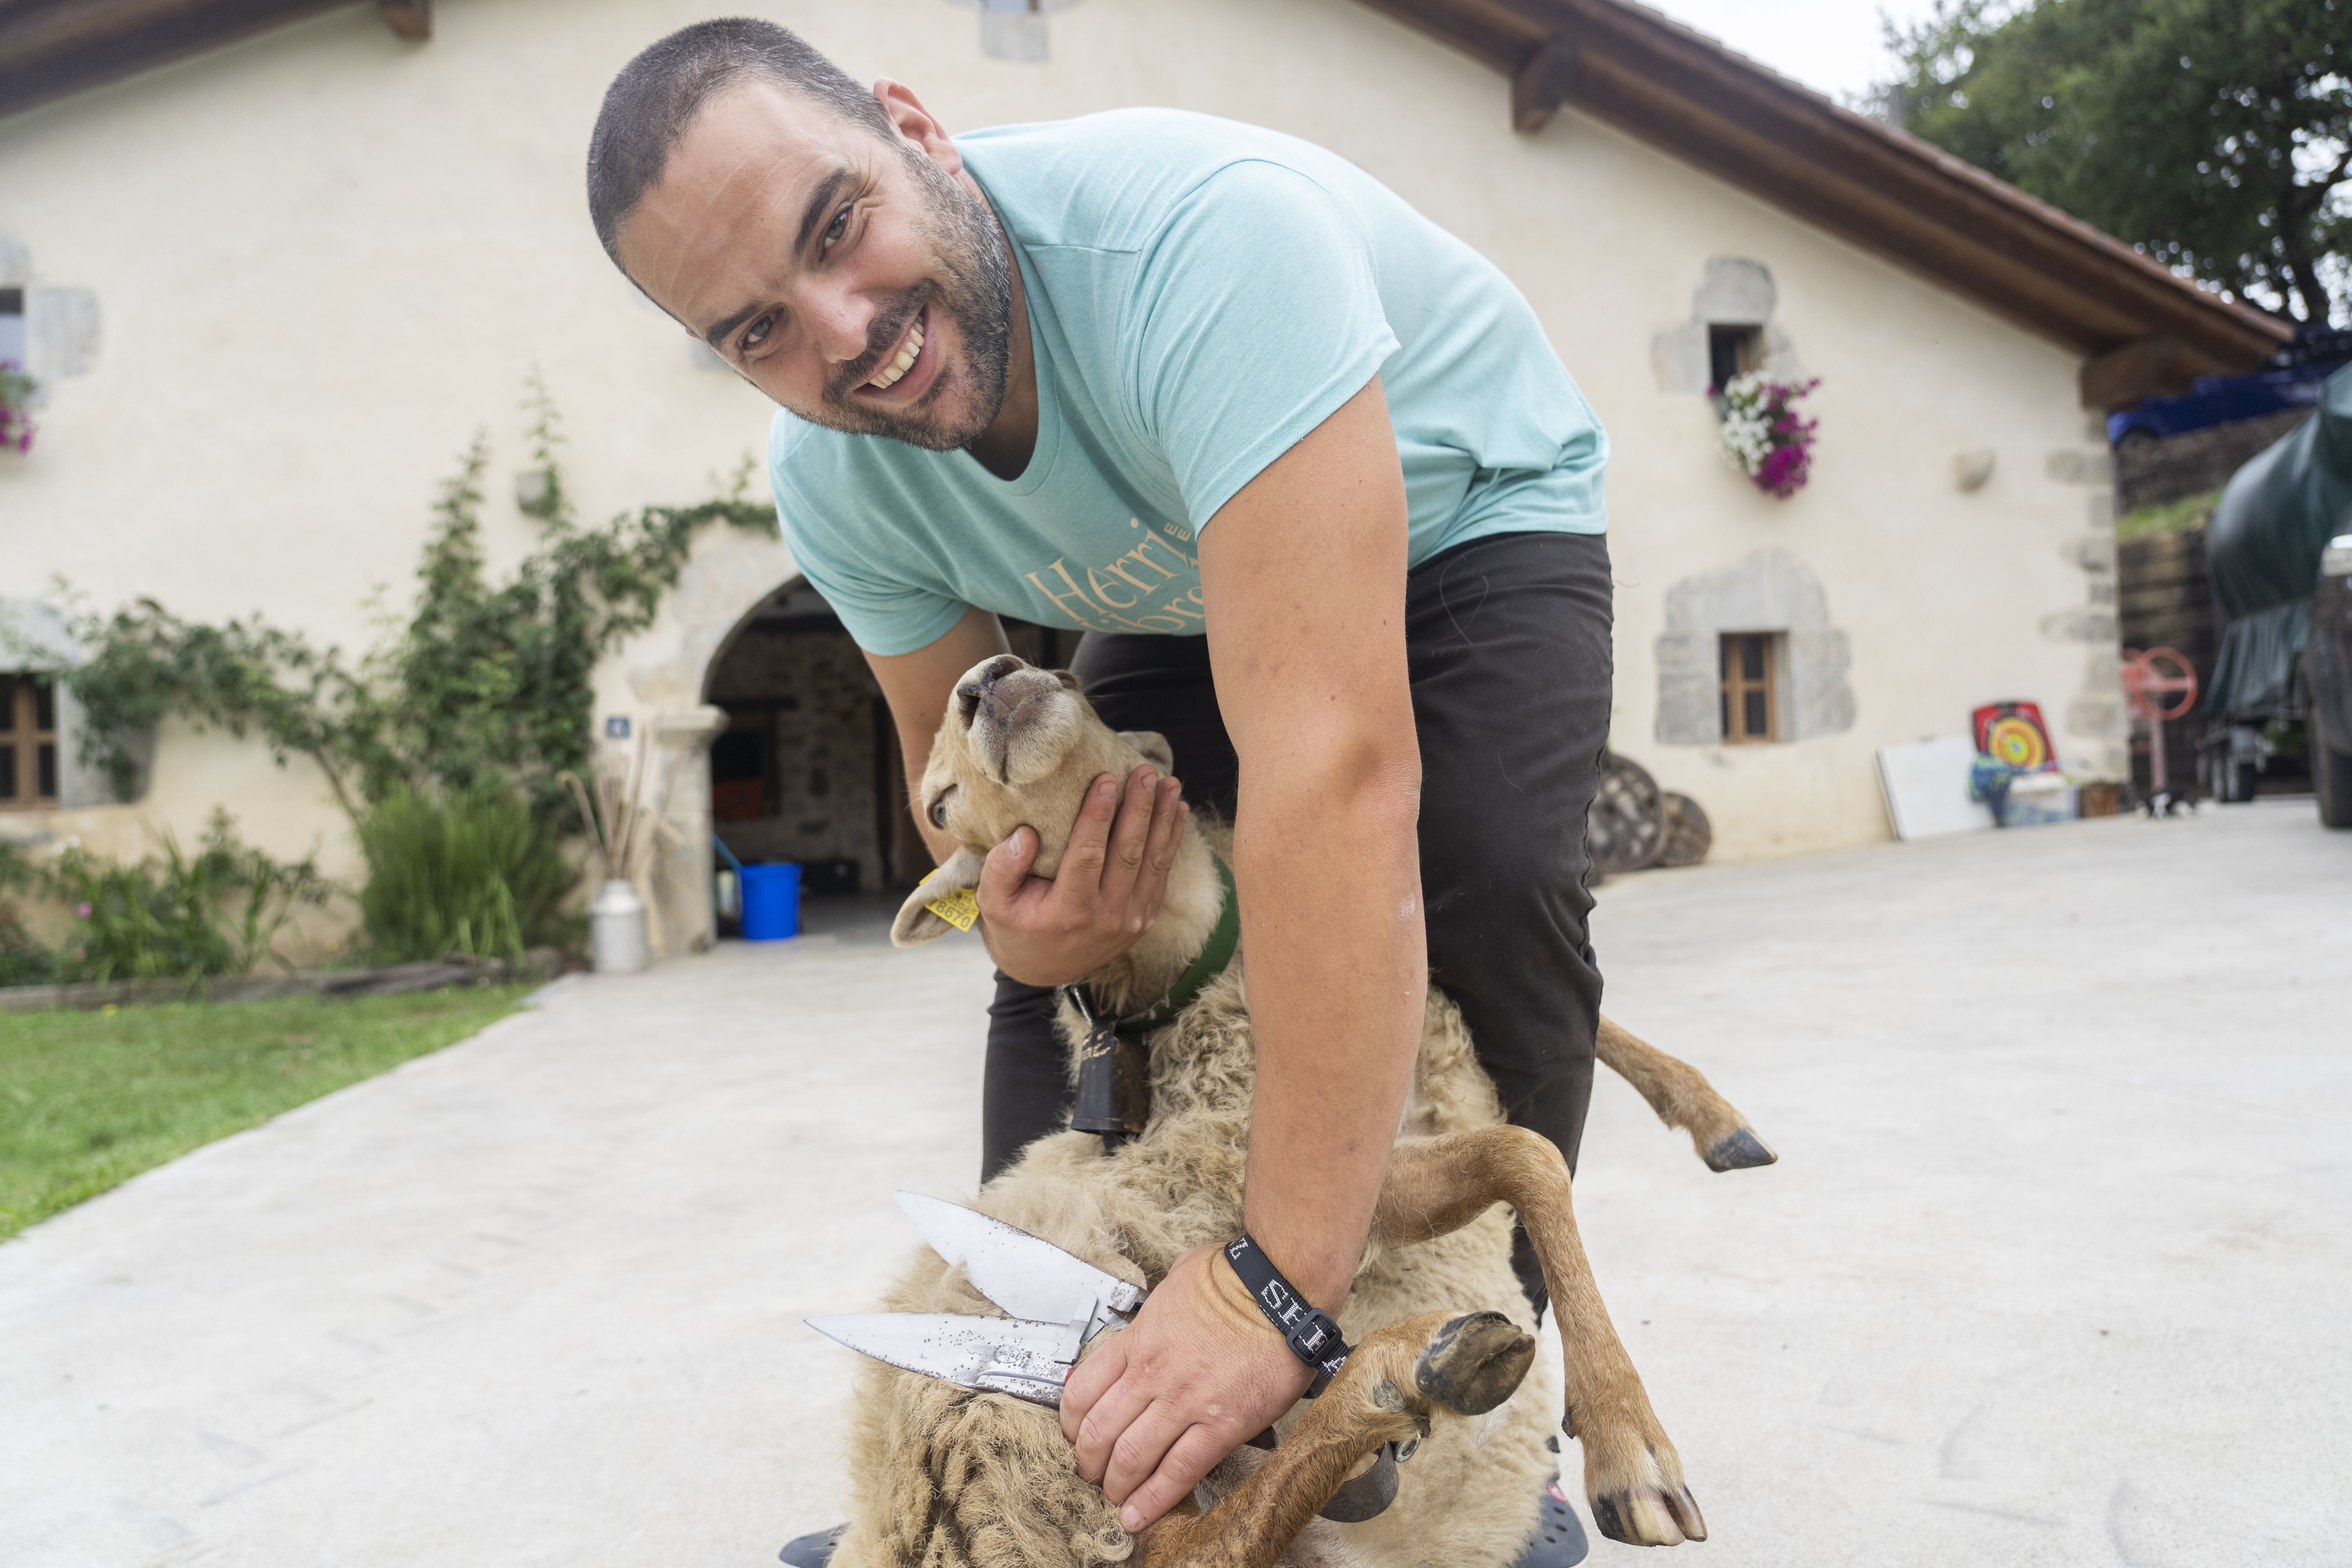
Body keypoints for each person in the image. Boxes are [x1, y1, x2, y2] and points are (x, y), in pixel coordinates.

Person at [586, 20, 1610, 1563]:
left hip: (1471, 500)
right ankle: (1064, 1437)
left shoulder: (1205, 245)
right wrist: (1031, 933)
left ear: (917, 130)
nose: (845, 334)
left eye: (838, 227)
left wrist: (1278, 1277)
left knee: (1477, 872)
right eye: (757, 331)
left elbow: (1330, 779)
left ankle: (1475, 1448)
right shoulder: (835, 478)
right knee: (1079, 918)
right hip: (1194, 561)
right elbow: (964, 795)